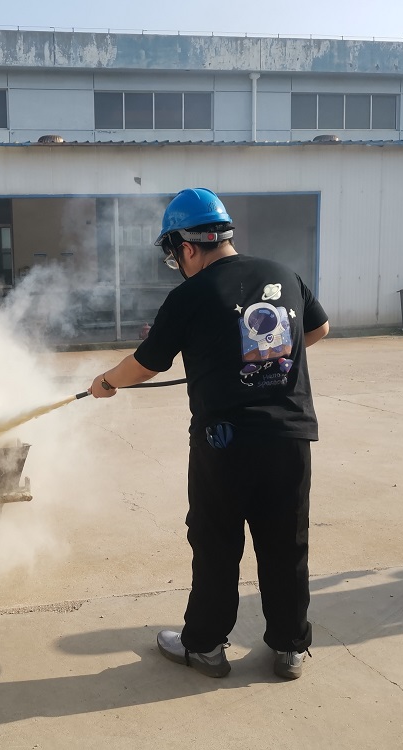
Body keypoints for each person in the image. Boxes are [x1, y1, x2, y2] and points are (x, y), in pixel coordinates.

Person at [88, 188, 329, 680]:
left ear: (187, 247)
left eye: (175, 256)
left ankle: (204, 646)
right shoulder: (283, 275)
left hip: (225, 444)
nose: (178, 265)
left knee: (216, 543)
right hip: (289, 439)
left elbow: (146, 364)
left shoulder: (190, 295)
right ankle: (290, 647)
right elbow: (318, 329)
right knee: (286, 543)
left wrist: (106, 382)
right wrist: (268, 355)